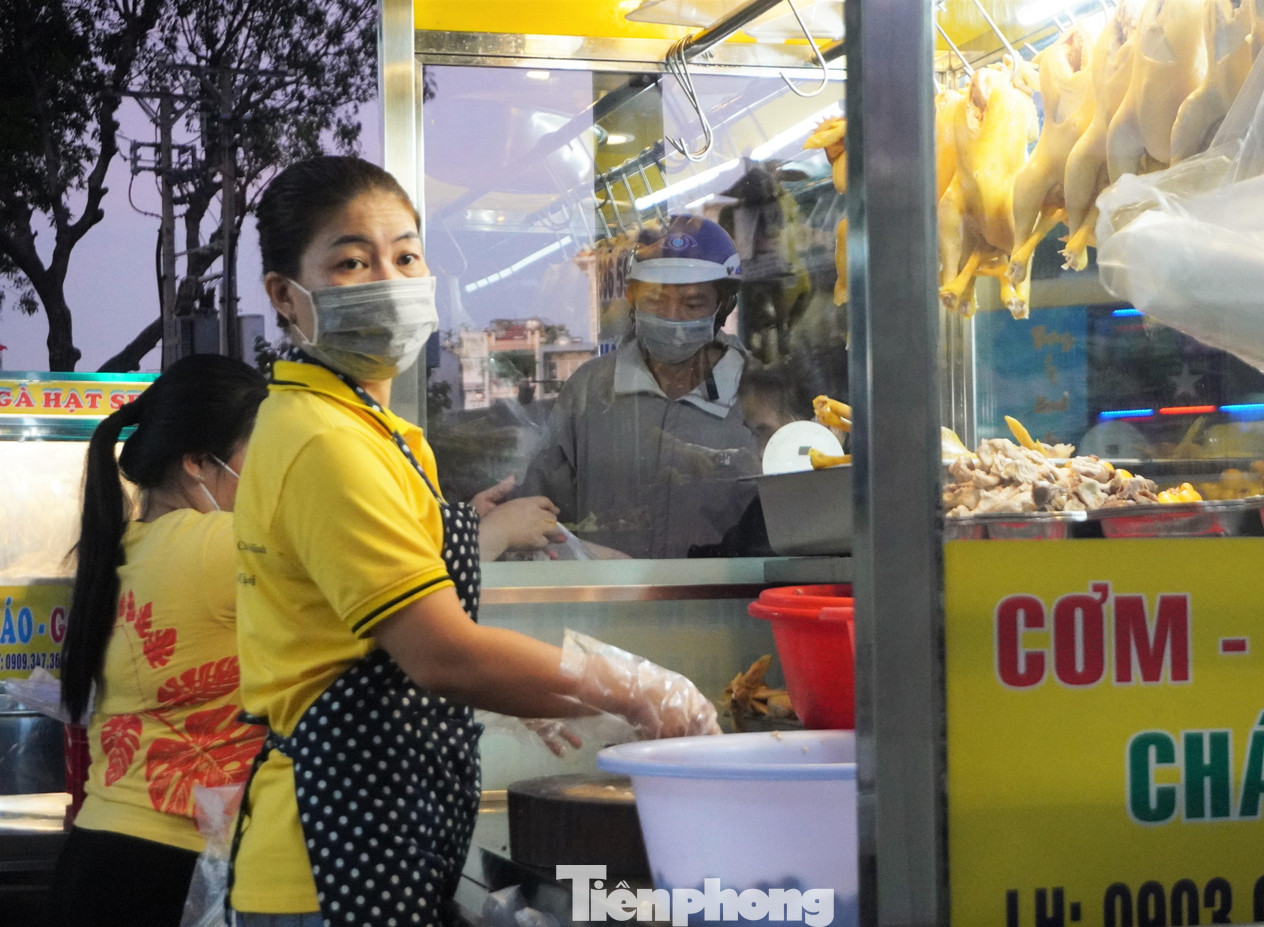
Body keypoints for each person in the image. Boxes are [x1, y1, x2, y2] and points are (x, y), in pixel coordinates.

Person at [230, 155, 718, 927]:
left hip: (379, 837)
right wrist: (631, 686)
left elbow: (365, 645)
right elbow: (441, 653)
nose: (389, 278)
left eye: (405, 255)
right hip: (324, 867)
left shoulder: (374, 430)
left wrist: (519, 697)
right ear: (285, 297)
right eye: (352, 261)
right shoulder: (324, 441)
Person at [51, 354, 269, 927]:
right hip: (168, 869)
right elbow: (369, 584)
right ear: (198, 461)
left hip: (99, 851)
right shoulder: (221, 543)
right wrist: (478, 534)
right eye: (262, 454)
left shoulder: (123, 548)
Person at [520, 214, 763, 558]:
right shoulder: (591, 391)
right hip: (608, 600)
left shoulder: (758, 389)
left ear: (724, 306)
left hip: (729, 598)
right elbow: (539, 509)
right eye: (655, 300)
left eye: (693, 304)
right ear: (632, 301)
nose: (672, 316)